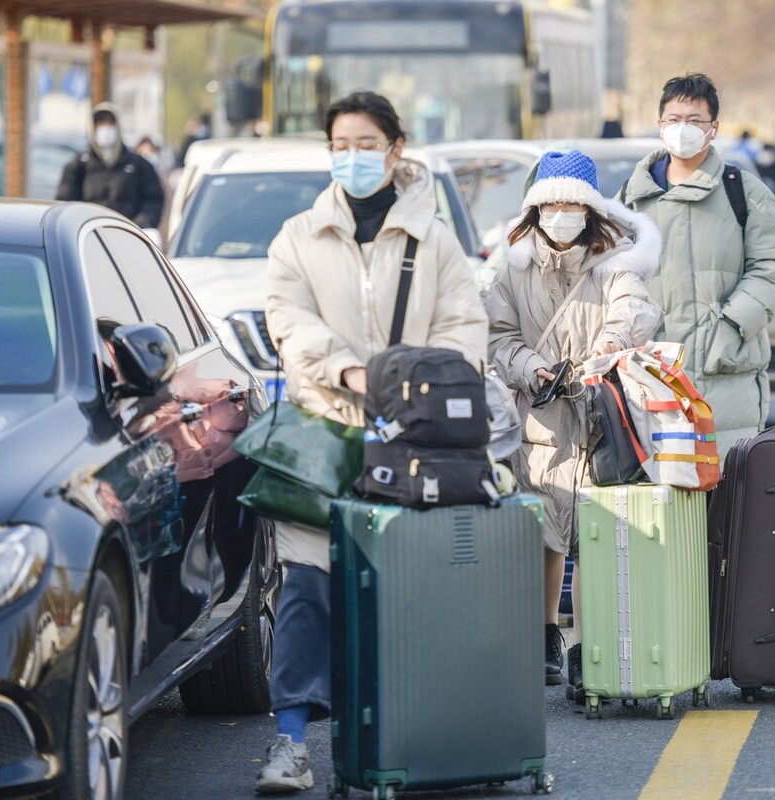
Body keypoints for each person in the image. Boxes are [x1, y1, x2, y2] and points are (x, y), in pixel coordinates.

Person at [256, 90, 488, 793]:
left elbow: (464, 330)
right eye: (340, 145)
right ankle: (290, 745)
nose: (351, 157)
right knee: (306, 587)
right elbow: (287, 322)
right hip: (324, 436)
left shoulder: (435, 239)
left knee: (407, 591)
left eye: (365, 143)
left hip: (413, 442)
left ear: (395, 148)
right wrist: (347, 369)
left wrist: (408, 386)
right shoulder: (298, 235)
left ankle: (412, 742)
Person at [486, 150, 662, 698]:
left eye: (572, 203)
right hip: (536, 420)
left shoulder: (616, 262)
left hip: (597, 417)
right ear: (534, 207)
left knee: (593, 534)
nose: (561, 212)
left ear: (591, 208)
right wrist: (527, 366)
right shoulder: (512, 268)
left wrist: (609, 344)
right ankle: (544, 638)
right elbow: (495, 337)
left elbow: (634, 309)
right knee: (542, 530)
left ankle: (591, 647)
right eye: (551, 202)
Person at [617, 73, 775, 456]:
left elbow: (774, 266)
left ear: (714, 129)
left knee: (727, 502)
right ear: (659, 125)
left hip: (725, 377)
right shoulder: (631, 202)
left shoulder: (743, 191)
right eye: (674, 119)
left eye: (695, 120)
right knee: (660, 507)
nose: (684, 129)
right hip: (651, 379)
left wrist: (729, 325)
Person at [55, 102, 164, 229]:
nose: (106, 129)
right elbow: (64, 203)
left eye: (110, 123)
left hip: (127, 235)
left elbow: (153, 200)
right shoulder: (78, 166)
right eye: (101, 124)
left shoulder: (138, 165)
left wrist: (139, 224)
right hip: (89, 236)